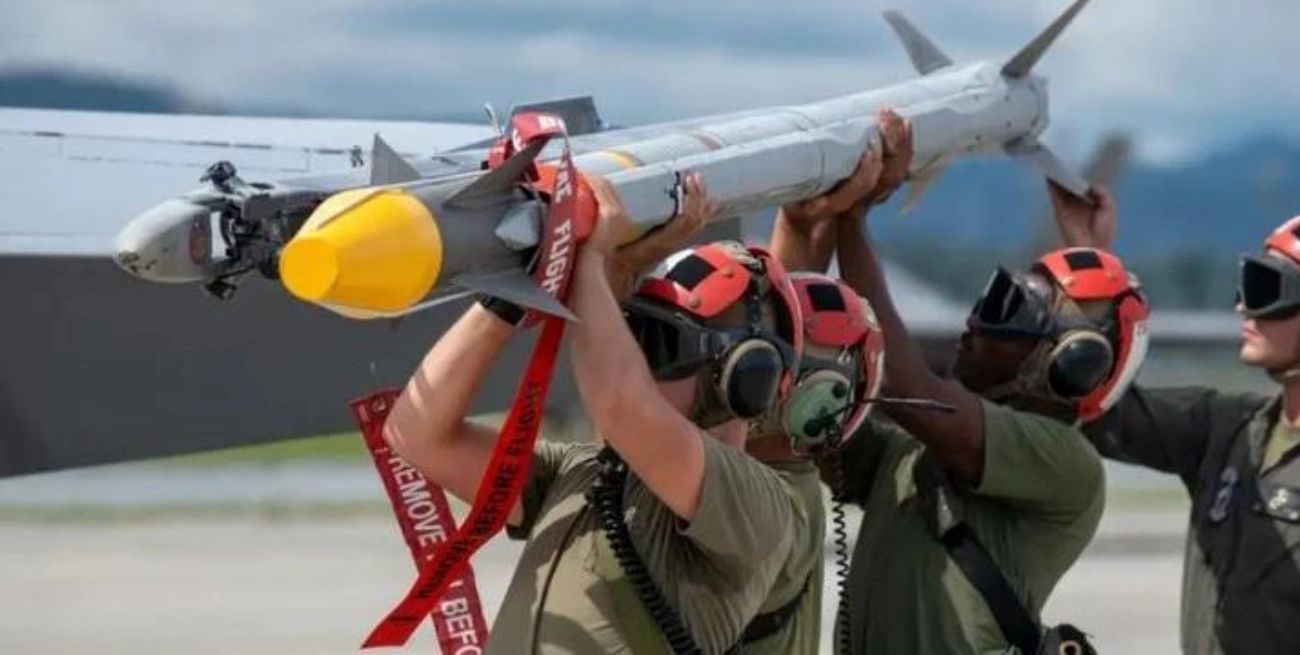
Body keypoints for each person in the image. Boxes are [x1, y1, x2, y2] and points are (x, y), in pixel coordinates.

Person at [381, 171, 820, 654]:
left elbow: (618, 402)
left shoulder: (761, 507)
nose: (638, 358)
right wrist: (511, 294)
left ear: (742, 378)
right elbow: (417, 433)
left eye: (658, 344)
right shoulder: (583, 473)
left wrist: (587, 258)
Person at [771, 109, 1150, 654]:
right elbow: (796, 397)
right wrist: (809, 223)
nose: (975, 321)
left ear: (1065, 361)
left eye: (1006, 308)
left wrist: (854, 212)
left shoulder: (1069, 468)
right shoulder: (914, 452)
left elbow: (901, 381)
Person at [1050, 181, 1300, 654]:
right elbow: (1103, 409)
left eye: (1267, 288)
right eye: (1247, 284)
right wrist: (1089, 260)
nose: (1243, 306)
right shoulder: (1226, 428)